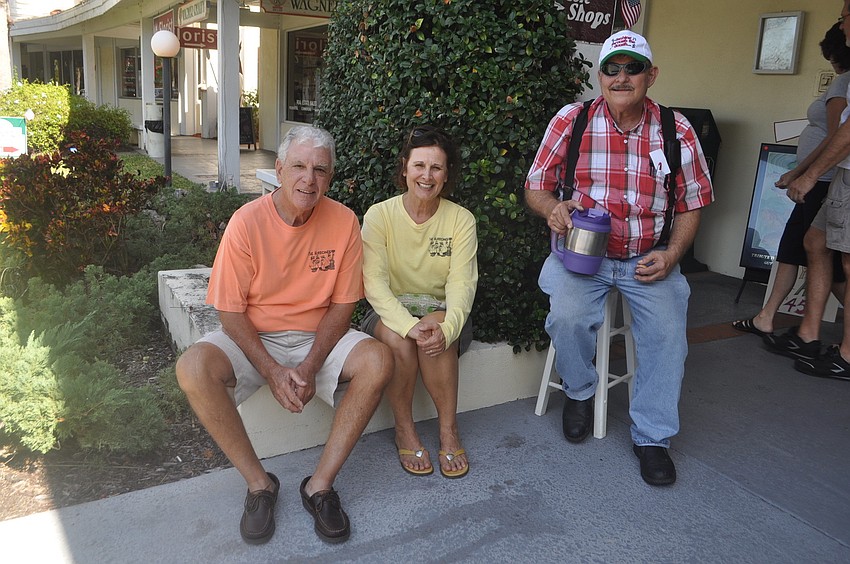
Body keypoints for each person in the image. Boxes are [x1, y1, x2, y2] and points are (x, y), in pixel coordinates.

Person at [175, 126, 393, 545]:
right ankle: (260, 485)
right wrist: (273, 371)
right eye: (298, 167)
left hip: (318, 337)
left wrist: (309, 367)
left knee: (379, 360)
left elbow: (343, 307)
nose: (308, 179)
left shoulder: (344, 221)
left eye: (320, 170)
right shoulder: (246, 222)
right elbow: (229, 311)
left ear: (330, 177)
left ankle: (320, 487)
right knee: (193, 368)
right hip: (255, 336)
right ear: (278, 170)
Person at [524, 30, 714, 486]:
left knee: (668, 337)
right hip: (581, 257)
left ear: (651, 75)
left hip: (649, 258)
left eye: (633, 68)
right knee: (567, 317)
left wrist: (672, 255)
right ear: (600, 75)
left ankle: (652, 437)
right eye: (612, 68)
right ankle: (579, 391)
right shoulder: (572, 120)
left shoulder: (677, 129)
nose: (621, 77)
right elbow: (535, 185)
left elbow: (693, 202)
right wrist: (552, 209)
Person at [360, 125, 478, 479]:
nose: (427, 176)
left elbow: (462, 284)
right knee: (400, 339)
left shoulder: (461, 220)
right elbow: (374, 284)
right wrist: (408, 326)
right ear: (405, 168)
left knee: (436, 330)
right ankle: (404, 430)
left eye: (436, 168)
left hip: (441, 313)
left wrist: (448, 328)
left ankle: (448, 431)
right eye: (419, 166)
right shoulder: (379, 216)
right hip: (388, 315)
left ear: (446, 175)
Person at [734, 23, 850, 338]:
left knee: (804, 251)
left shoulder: (842, 85)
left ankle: (773, 319)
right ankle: (769, 317)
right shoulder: (843, 84)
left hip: (823, 181)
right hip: (821, 179)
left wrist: (802, 173)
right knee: (803, 251)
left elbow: (836, 137)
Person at [775, 0, 850, 381]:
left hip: (837, 178)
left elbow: (844, 132)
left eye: (844, 16)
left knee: (847, 264)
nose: (842, 23)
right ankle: (808, 334)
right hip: (840, 177)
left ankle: (848, 355)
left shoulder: (842, 82)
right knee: (814, 242)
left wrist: (806, 174)